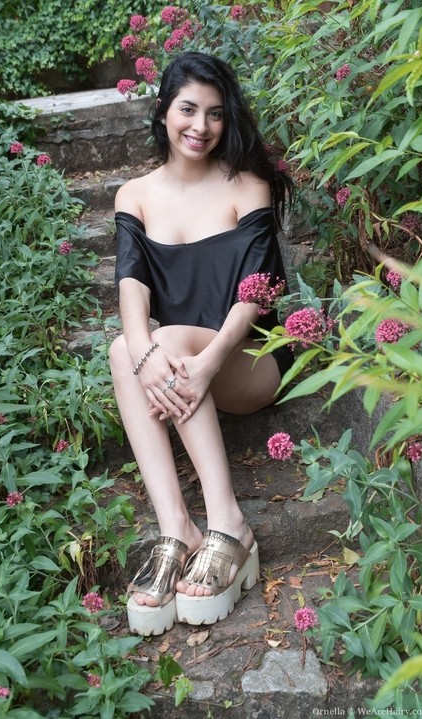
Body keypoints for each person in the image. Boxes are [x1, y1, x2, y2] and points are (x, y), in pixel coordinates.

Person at [109, 51, 294, 636]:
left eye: (215, 114)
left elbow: (255, 296)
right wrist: (143, 354)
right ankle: (177, 530)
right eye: (188, 109)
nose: (201, 126)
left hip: (248, 362)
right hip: (179, 357)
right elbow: (132, 289)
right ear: (163, 109)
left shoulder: (248, 186)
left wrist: (207, 361)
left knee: (172, 341)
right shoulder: (134, 194)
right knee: (122, 348)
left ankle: (229, 524)